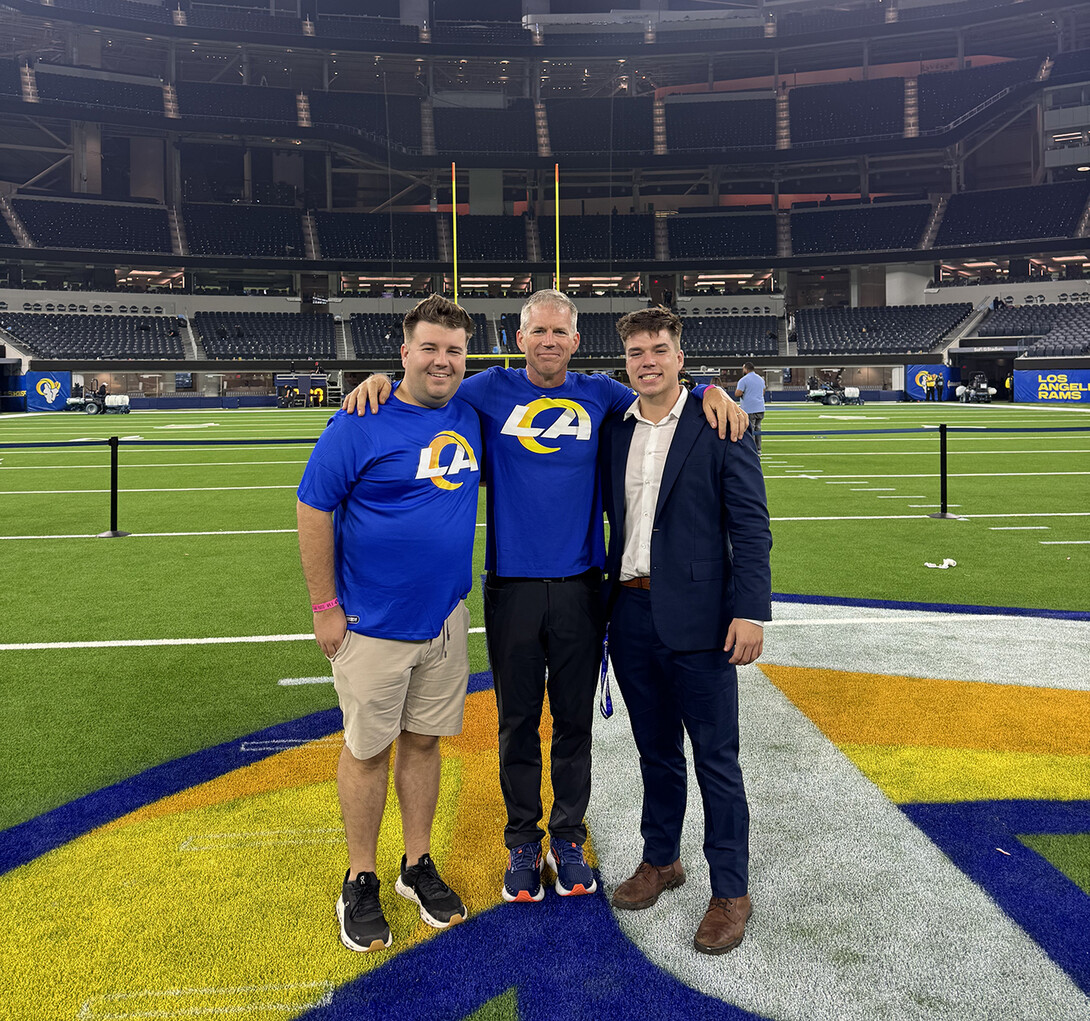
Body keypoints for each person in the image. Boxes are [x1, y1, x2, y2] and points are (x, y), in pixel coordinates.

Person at [343, 290, 748, 905]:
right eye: (538, 331)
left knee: (575, 722)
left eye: (560, 332)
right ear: (521, 335)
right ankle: (523, 842)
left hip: (585, 587)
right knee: (517, 723)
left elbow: (668, 400)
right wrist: (376, 379)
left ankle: (568, 834)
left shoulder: (604, 395)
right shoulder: (484, 391)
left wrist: (714, 391)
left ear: (576, 341)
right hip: (513, 587)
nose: (549, 341)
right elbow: (425, 386)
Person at [296, 295, 481, 954]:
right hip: (372, 625)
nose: (442, 360)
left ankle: (417, 864)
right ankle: (360, 874)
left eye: (454, 349)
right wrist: (325, 607)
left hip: (444, 620)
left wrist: (708, 388)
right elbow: (314, 507)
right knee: (369, 749)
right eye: (429, 347)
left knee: (425, 744)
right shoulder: (359, 420)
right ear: (403, 352)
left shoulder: (471, 410)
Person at [600, 306, 772, 955]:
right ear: (626, 361)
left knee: (717, 760)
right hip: (632, 613)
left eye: (659, 348)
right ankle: (662, 859)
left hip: (702, 619)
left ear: (679, 355)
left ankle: (731, 888)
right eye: (637, 350)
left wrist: (751, 610)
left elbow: (751, 527)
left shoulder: (717, 421)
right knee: (656, 752)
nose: (648, 359)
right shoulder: (614, 429)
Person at [734, 362, 766, 455]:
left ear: (746, 369)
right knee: (758, 428)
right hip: (760, 407)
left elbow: (738, 393)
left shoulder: (744, 380)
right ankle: (758, 449)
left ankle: (751, 449)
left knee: (750, 429)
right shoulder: (760, 379)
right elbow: (763, 392)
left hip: (749, 408)